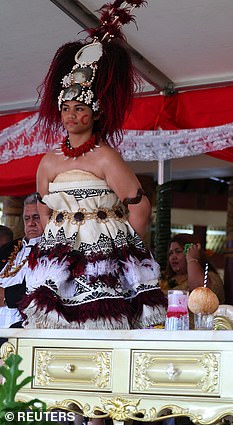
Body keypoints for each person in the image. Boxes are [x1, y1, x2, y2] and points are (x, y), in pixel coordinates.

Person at [19, 10, 166, 329]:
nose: (71, 116)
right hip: (57, 259)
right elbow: (44, 207)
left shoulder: (106, 158)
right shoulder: (49, 160)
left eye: (80, 109)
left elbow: (140, 206)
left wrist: (123, 250)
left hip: (103, 258)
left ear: (95, 113)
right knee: (52, 327)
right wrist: (53, 242)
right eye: (66, 109)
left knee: (99, 324)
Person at [0, 195, 44, 328]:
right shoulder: (7, 249)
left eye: (36, 217)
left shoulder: (54, 251)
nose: (31, 223)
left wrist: (6, 296)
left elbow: (44, 289)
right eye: (27, 218)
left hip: (26, 326)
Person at [160, 234, 225, 303]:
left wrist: (192, 259)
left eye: (178, 251)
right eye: (170, 253)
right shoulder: (164, 278)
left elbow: (200, 296)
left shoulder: (210, 277)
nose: (173, 257)